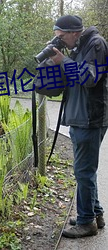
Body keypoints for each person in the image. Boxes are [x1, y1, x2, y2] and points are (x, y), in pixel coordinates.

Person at [50, 15, 108, 238]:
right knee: (85, 171)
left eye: (62, 37)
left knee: (83, 171)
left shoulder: (96, 44)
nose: (61, 41)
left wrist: (63, 61)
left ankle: (86, 223)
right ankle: (95, 214)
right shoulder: (79, 46)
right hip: (79, 117)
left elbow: (89, 78)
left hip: (90, 118)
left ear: (74, 32)